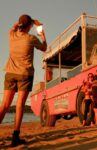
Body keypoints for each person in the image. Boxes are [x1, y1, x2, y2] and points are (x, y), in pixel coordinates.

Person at [0, 14, 47, 147]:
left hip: (10, 73)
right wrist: (43, 35)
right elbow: (44, 48)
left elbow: (15, 26)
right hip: (25, 75)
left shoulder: (11, 35)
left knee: (4, 105)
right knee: (20, 104)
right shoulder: (31, 38)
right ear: (30, 26)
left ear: (20, 24)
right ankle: (15, 137)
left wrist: (28, 21)